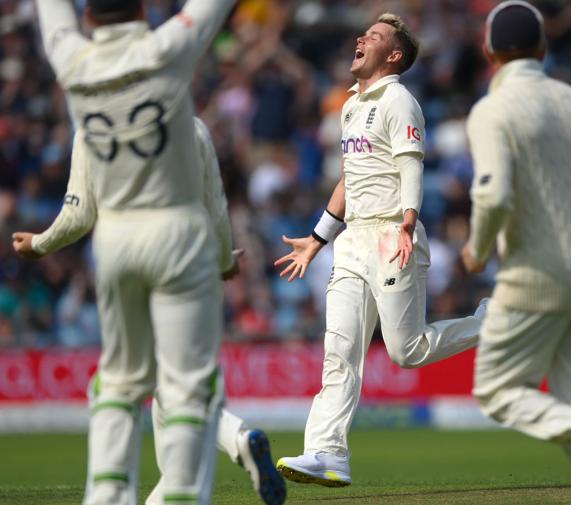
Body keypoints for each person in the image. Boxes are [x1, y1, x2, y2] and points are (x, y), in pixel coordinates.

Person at [26, 1, 284, 503]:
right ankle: (181, 494)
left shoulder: (73, 59)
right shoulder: (168, 49)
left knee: (120, 380)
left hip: (116, 240)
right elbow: (216, 205)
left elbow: (51, 13)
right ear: (143, 12)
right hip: (177, 235)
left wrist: (37, 242)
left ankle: (105, 493)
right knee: (188, 384)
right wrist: (226, 259)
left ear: (88, 20)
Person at [274, 13, 485, 487]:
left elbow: (411, 162)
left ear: (393, 55)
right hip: (351, 242)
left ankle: (488, 325)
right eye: (362, 33)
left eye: (373, 36)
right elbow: (351, 179)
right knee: (339, 350)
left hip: (393, 232)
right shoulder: (351, 105)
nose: (359, 38)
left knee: (406, 351)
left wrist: (408, 219)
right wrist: (317, 237)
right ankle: (327, 453)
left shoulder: (398, 99)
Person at [460, 3, 571, 505]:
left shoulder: (492, 109)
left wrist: (476, 250)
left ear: (489, 51)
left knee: (497, 391)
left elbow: (493, 195)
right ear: (542, 48)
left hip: (536, 274)